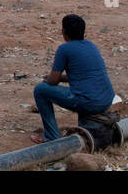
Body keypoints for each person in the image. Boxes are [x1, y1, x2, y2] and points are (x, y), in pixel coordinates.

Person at [31, 14, 116, 143]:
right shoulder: (91, 45)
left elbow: (53, 80)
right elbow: (82, 75)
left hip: (88, 102)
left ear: (63, 32)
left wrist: (48, 80)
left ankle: (51, 136)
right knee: (81, 92)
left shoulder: (64, 49)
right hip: (106, 99)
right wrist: (60, 78)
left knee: (40, 90)